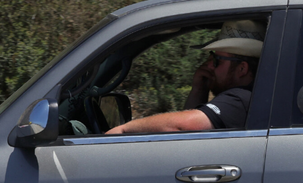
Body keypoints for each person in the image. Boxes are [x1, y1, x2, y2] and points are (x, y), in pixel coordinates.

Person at [107, 19, 265, 134]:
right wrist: (199, 88)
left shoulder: (240, 99)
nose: (209, 65)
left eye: (217, 60)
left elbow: (183, 126)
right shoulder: (256, 96)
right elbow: (186, 137)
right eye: (211, 58)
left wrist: (123, 130)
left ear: (242, 68)